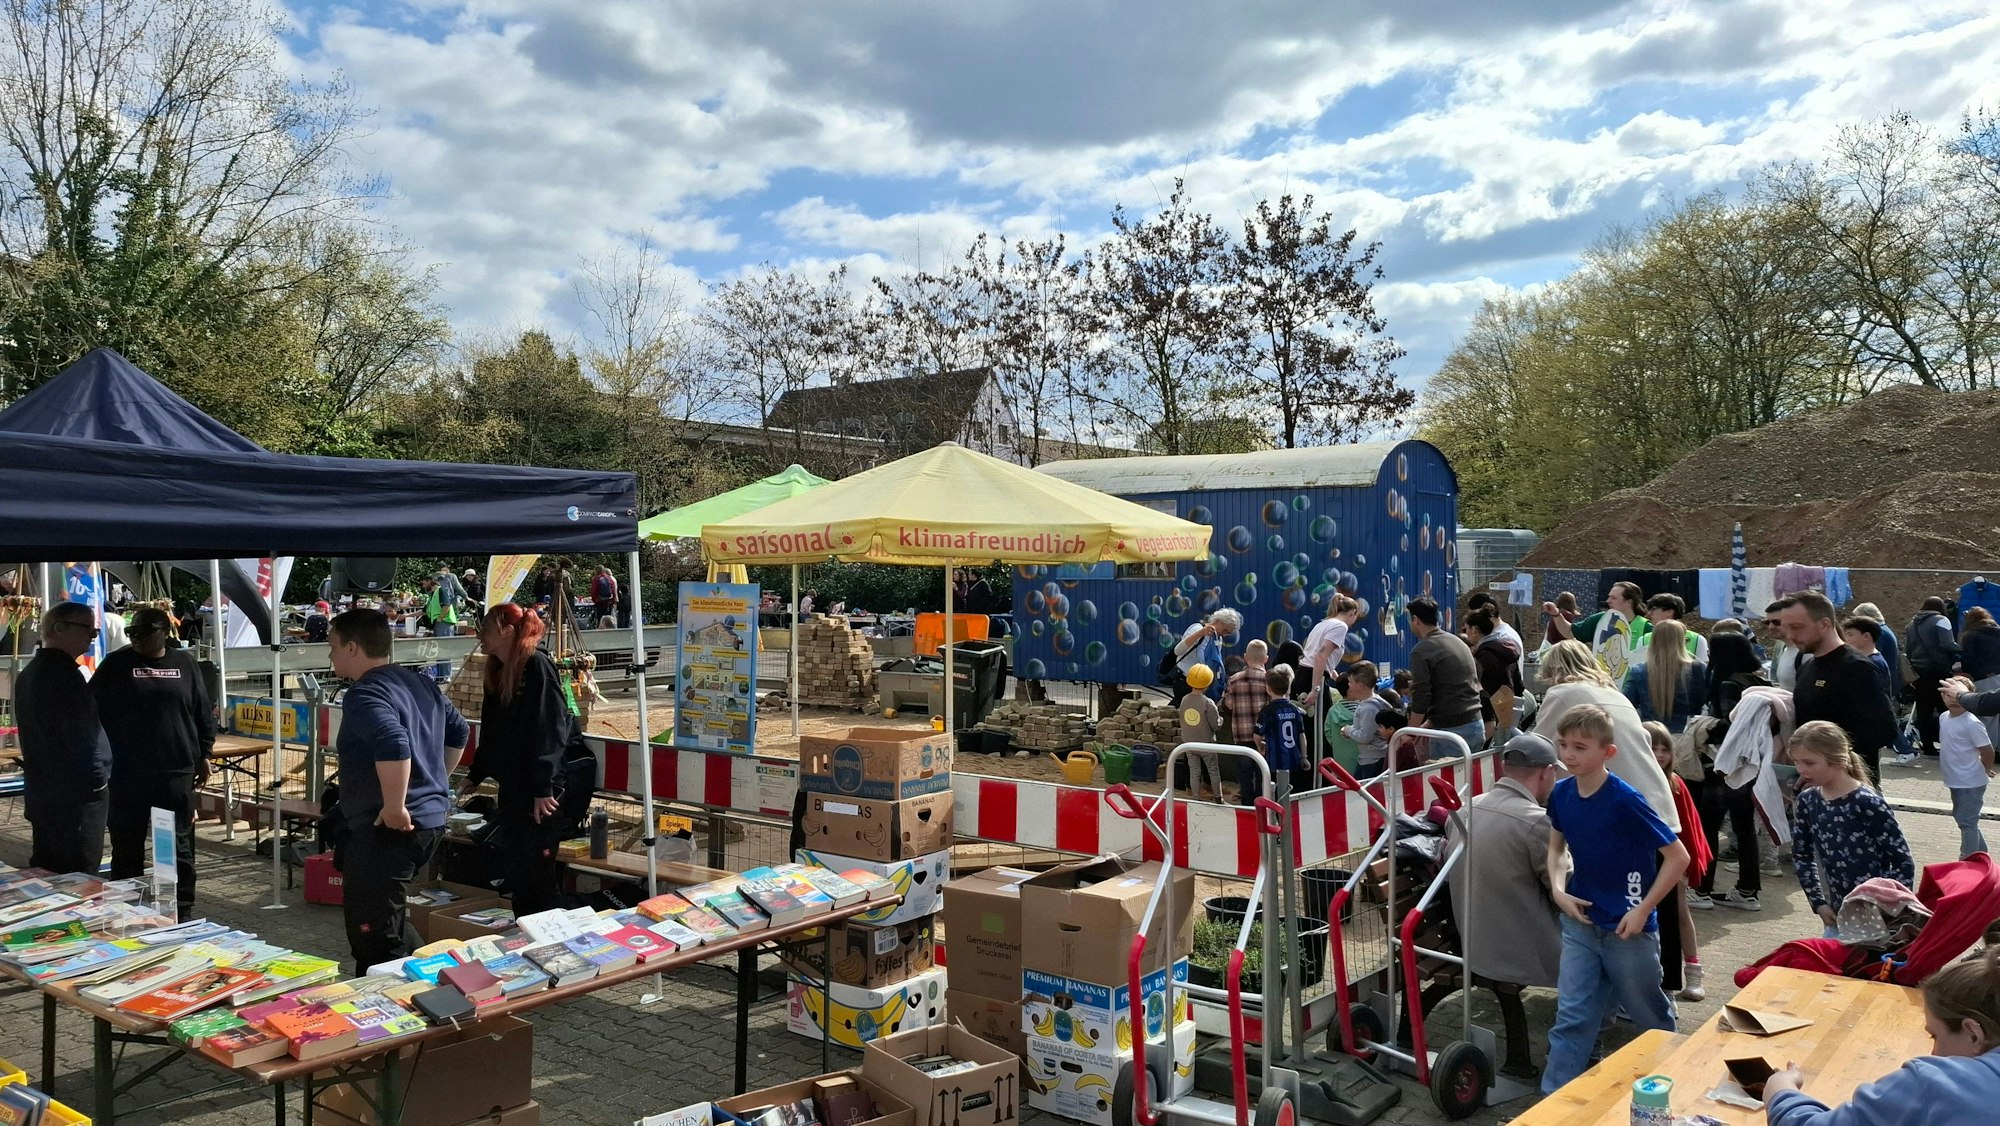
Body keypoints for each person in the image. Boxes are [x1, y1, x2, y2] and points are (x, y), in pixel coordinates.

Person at [1539, 704, 1689, 1095]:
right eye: (1564, 745)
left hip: (1628, 928)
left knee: (1649, 1016)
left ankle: (1671, 1088)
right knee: (1572, 1015)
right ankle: (1553, 1104)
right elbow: (1556, 850)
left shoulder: (1626, 799)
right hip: (1581, 922)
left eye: (1580, 747)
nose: (1569, 754)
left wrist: (1643, 909)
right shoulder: (1560, 793)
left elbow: (1678, 857)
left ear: (1608, 753)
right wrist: (1558, 891)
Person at [328, 608, 468, 973]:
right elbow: (459, 731)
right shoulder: (420, 683)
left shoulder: (363, 693)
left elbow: (393, 740)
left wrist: (395, 804)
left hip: (389, 828)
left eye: (333, 646)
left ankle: (396, 1012)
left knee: (375, 937)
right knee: (388, 922)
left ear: (353, 648)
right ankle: (438, 981)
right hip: (428, 820)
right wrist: (435, 780)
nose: (329, 656)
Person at [1443, 731, 1563, 1079]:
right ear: (1546, 772)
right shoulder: (1536, 822)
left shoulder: (1466, 809)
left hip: (1470, 937)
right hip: (1517, 951)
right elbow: (1565, 888)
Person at [1764, 946, 2000, 1123]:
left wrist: (1780, 1091)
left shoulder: (1936, 1084)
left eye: (1935, 1036)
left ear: (1973, 1034)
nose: (1933, 1052)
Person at [92, 608, 212, 917]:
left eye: (142, 634)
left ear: (163, 633)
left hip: (175, 773)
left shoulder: (184, 663)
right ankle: (126, 910)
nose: (135, 640)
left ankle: (179, 910)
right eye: (131, 633)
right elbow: (91, 710)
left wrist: (205, 754)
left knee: (176, 847)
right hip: (128, 774)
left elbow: (202, 712)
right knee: (126, 845)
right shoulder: (116, 664)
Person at [467, 603, 575, 917]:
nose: (480, 636)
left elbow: (550, 729)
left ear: (506, 630)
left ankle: (543, 937)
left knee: (536, 875)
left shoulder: (537, 665)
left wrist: (543, 788)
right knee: (517, 869)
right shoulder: (497, 669)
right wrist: (476, 773)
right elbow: (491, 729)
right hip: (513, 788)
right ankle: (524, 932)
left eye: (485, 628)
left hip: (539, 793)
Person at [1532, 640, 1680, 833]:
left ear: (1554, 670)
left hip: (1612, 808)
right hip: (1653, 803)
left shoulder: (1562, 693)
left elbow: (1537, 748)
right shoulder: (1616, 695)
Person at [1788, 721, 1913, 939]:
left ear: (1838, 759)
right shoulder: (1808, 800)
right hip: (1836, 914)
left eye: (1809, 762)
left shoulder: (1867, 803)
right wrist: (1818, 903)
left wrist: (1888, 906)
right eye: (1797, 762)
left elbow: (1901, 860)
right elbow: (1802, 854)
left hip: (1877, 918)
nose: (1801, 769)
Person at [13, 603, 111, 875]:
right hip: (74, 798)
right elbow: (83, 736)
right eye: (87, 630)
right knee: (78, 874)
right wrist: (98, 782)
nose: (92, 638)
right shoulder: (61, 675)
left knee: (52, 869)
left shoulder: (34, 671)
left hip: (49, 793)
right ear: (58, 628)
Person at [1781, 592, 1899, 783]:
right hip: (1815, 789)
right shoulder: (1806, 668)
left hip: (1850, 790)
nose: (1791, 635)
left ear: (1824, 624)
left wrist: (1834, 762)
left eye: (1797, 627)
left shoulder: (1856, 667)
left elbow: (1883, 730)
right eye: (1787, 628)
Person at [1695, 631, 1774, 912]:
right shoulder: (1758, 679)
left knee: (1709, 827)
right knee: (1744, 827)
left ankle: (1702, 888)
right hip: (1750, 764)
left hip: (1724, 764)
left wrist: (1704, 727)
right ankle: (1748, 890)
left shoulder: (1729, 683)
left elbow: (1730, 728)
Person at [1644, 720, 1712, 1002]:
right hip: (1648, 862)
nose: (1660, 755)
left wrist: (1687, 867)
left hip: (1672, 862)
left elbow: (1690, 828)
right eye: (1653, 748)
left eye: (1664, 749)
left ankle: (1693, 970)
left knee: (1679, 914)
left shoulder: (1675, 784)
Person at [1406, 597, 1485, 756]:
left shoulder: (1422, 650)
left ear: (1415, 620)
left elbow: (1421, 696)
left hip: (1451, 733)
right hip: (1475, 723)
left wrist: (1409, 732)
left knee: (1447, 780)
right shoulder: (1457, 642)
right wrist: (1430, 722)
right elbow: (1457, 686)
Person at [1937, 677, 1996, 858]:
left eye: (1958, 694)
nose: (1953, 699)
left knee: (1967, 821)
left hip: (1971, 781)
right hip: (1955, 779)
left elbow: (1987, 750)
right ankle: (1981, 852)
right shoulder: (1944, 717)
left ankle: (1967, 859)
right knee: (1963, 818)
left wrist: (1985, 768)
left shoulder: (1972, 722)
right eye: (1948, 694)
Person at [1546, 580, 1646, 684]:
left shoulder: (1646, 626)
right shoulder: (1600, 619)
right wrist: (1555, 614)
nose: (1608, 601)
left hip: (1633, 686)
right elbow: (1569, 631)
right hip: (1602, 684)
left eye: (1614, 598)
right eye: (1609, 596)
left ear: (1629, 602)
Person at [1622, 620, 1708, 732]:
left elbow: (1626, 706)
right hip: (1688, 737)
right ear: (1682, 641)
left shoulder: (1638, 671)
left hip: (1652, 737)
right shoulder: (1698, 669)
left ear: (1653, 641)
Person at [1907, 597, 1962, 756]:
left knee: (1924, 711)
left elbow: (1908, 649)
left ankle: (1928, 746)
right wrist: (1961, 651)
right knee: (1946, 709)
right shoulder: (1941, 620)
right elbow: (1947, 644)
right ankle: (1950, 745)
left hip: (1918, 673)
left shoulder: (1911, 624)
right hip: (1938, 671)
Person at [1466, 606, 1525, 748]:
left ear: (1474, 630)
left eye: (1466, 629)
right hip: (1514, 711)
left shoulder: (1485, 655)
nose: (1466, 633)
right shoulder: (1503, 647)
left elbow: (1492, 691)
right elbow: (1518, 684)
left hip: (1498, 720)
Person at [1253, 665, 1310, 798]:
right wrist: (1304, 757)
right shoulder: (1295, 709)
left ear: (1268, 688)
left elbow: (1257, 735)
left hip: (1275, 761)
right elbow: (1302, 735)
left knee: (1274, 794)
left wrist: (1261, 746)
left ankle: (1276, 818)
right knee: (1292, 794)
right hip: (1294, 759)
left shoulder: (1268, 710)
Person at [1336, 661, 1397, 779]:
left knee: (1364, 793)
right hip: (1372, 757)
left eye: (1350, 682)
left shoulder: (1368, 708)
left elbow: (1365, 737)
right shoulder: (1374, 701)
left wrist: (1349, 730)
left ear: (1360, 685)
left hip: (1371, 760)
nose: (1348, 685)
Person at [1168, 609, 1242, 702]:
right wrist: (1200, 633)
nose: (1224, 635)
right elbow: (1178, 650)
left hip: (1201, 683)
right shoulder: (1197, 629)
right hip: (1185, 679)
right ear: (1218, 621)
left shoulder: (1218, 639)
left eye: (1228, 633)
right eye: (1225, 630)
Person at [1177, 664, 1224, 803]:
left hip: (1189, 743)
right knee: (1213, 770)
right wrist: (1221, 720)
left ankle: (1195, 797)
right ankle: (1218, 797)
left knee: (1194, 771)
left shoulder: (1184, 700)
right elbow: (1215, 725)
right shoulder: (1208, 703)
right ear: (1208, 683)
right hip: (1206, 744)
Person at [1223, 639, 1273, 756]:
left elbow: (1228, 705)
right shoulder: (1269, 679)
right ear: (1266, 659)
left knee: (1244, 771)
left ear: (1245, 657)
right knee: (1263, 771)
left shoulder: (1234, 679)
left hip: (1242, 735)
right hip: (1264, 735)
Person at [1960, 608, 2000, 748]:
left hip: (1983, 677)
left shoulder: (1970, 635)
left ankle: (1990, 749)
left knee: (1986, 715)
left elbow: (1968, 660)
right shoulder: (1998, 631)